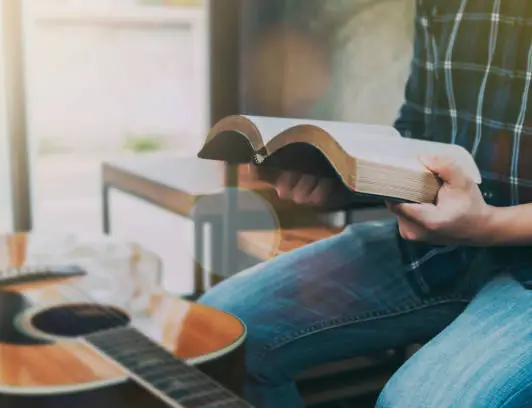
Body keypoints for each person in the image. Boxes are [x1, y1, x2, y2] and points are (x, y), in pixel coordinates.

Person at [198, 1, 532, 407]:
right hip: (440, 252)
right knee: (219, 331)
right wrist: (345, 178)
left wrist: (487, 225)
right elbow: (418, 127)